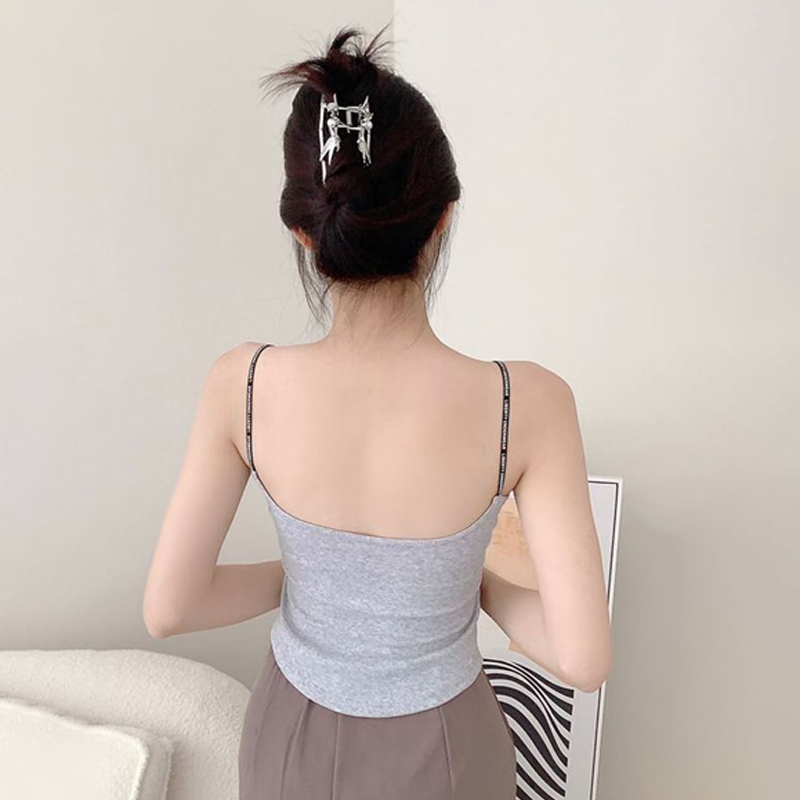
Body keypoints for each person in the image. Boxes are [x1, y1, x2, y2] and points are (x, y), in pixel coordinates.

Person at [142, 23, 612, 800]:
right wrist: (468, 582)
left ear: (304, 231)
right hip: (448, 753)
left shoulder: (242, 385)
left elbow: (170, 608)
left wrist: (308, 579)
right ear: (443, 217)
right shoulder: (526, 403)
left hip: (289, 740)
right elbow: (583, 658)